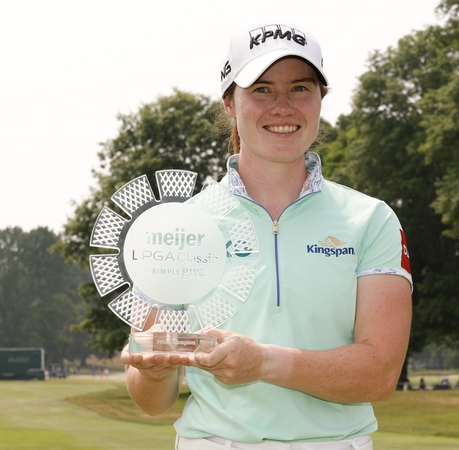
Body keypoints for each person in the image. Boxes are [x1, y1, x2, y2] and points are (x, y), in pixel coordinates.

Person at [121, 20, 412, 450]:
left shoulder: (371, 219)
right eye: (261, 89)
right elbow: (153, 401)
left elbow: (380, 373)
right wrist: (154, 372)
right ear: (229, 102)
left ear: (320, 99)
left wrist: (263, 363)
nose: (282, 106)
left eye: (300, 88)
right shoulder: (179, 227)